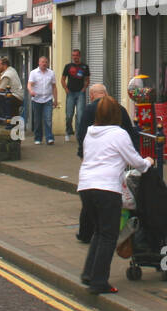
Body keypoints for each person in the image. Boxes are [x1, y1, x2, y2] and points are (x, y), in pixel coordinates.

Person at [78, 97, 155, 295]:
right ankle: (99, 281)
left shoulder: (89, 133)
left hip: (86, 186)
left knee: (98, 231)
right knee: (108, 235)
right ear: (116, 114)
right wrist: (148, 162)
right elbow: (134, 161)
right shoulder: (118, 134)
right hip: (107, 188)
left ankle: (88, 273)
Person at [74, 83, 139, 243]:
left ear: (91, 95)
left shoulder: (89, 110)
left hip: (93, 167)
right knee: (122, 195)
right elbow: (131, 134)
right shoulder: (120, 109)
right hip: (117, 162)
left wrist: (83, 154)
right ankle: (119, 230)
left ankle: (86, 233)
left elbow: (81, 134)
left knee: (91, 203)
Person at [60, 48, 91, 141]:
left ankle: (78, 134)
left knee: (80, 115)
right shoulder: (68, 66)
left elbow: (87, 79)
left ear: (79, 56)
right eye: (73, 55)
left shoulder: (84, 67)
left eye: (76, 55)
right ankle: (68, 131)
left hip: (80, 93)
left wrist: (84, 89)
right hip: (70, 93)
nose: (75, 57)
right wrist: (66, 89)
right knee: (69, 115)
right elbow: (62, 79)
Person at [28, 55, 58, 145]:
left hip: (48, 99)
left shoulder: (51, 73)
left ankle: (49, 138)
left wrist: (55, 99)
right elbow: (29, 84)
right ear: (39, 63)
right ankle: (38, 138)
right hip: (36, 99)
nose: (44, 64)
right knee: (37, 120)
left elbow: (54, 87)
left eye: (46, 62)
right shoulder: (33, 73)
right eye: (42, 62)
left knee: (48, 119)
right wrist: (31, 91)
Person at [0, 58, 24, 124]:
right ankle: (15, 126)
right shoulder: (12, 70)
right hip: (19, 96)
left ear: (4, 65)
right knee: (14, 114)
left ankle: (0, 120)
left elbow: (0, 89)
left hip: (14, 96)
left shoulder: (7, 75)